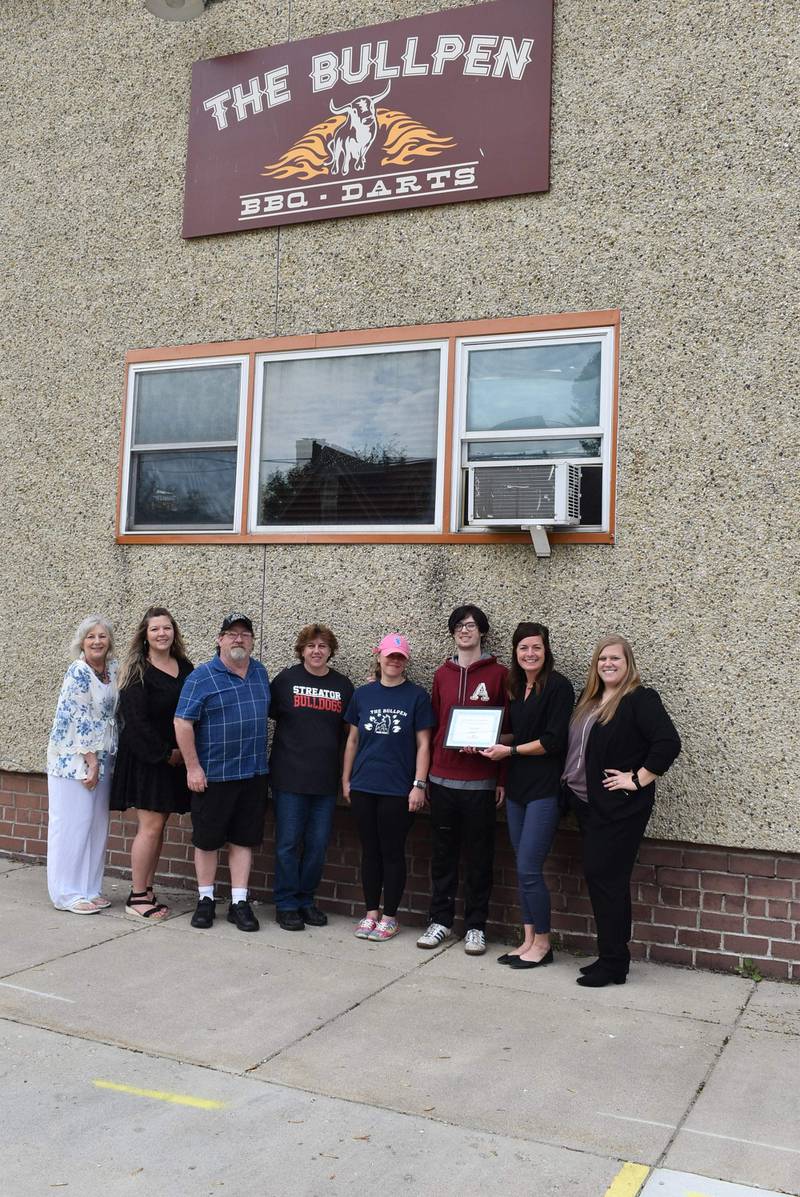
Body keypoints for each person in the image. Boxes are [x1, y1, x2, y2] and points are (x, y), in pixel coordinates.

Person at [563, 634, 681, 987]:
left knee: (608, 882)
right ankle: (612, 956)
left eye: (615, 659)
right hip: (589, 806)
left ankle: (614, 963)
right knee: (602, 881)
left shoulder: (639, 699)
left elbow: (668, 742)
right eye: (602, 659)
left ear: (628, 664)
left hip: (621, 811)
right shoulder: (592, 701)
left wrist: (638, 778)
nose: (608, 664)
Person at [481, 623, 574, 969]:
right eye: (523, 649)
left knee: (529, 867)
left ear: (546, 650)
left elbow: (552, 741)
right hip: (518, 788)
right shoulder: (518, 686)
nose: (530, 654)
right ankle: (528, 939)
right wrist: (487, 739)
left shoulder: (559, 687)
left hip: (544, 790)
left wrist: (510, 751)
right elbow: (518, 734)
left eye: (536, 648)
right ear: (516, 653)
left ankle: (545, 944)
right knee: (523, 869)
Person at [417, 604, 508, 956]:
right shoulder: (442, 675)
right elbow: (436, 726)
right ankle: (440, 921)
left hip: (481, 783)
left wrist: (501, 776)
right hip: (442, 780)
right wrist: (423, 779)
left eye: (471, 625)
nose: (465, 630)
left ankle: (475, 927)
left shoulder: (500, 674)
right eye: (458, 625)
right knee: (442, 856)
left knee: (479, 858)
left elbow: (507, 731)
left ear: (482, 631)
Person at [174, 613, 270, 933]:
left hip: (252, 773)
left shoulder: (259, 673)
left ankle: (239, 902)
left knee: (243, 840)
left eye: (245, 634)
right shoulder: (202, 677)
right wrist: (193, 767)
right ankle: (206, 899)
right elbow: (182, 722)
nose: (238, 639)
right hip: (213, 775)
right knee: (208, 841)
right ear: (220, 640)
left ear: (252, 641)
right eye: (231, 633)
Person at [342, 633, 435, 942]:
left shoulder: (417, 696)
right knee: (370, 851)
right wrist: (346, 779)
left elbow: (424, 745)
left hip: (398, 788)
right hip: (365, 785)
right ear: (378, 656)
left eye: (400, 657)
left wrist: (419, 785)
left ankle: (390, 917)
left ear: (405, 662)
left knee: (392, 851)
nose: (394, 660)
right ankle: (370, 913)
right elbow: (353, 740)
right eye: (390, 655)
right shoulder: (363, 695)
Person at [110, 606, 193, 920]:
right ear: (145, 635)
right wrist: (165, 753)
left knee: (160, 828)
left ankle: (148, 888)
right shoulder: (137, 671)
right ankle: (136, 895)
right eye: (155, 629)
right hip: (149, 758)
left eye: (167, 628)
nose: (162, 633)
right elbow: (136, 722)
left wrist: (184, 752)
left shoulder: (185, 667)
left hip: (177, 759)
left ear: (174, 633)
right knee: (150, 827)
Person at [268, 623, 354, 931]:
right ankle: (287, 904)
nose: (316, 651)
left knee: (317, 845)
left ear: (331, 651)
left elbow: (349, 732)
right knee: (288, 844)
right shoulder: (285, 681)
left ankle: (306, 901)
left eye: (322, 646)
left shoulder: (343, 686)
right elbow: (271, 716)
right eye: (311, 646)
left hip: (325, 781)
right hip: (289, 778)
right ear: (302, 650)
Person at [46, 615, 118, 914]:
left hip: (105, 757)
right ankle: (66, 893)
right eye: (91, 637)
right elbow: (76, 717)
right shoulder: (78, 671)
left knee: (96, 825)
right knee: (72, 825)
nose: (97, 641)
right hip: (73, 760)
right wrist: (90, 761)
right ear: (82, 642)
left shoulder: (112, 669)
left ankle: (90, 888)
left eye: (102, 636)